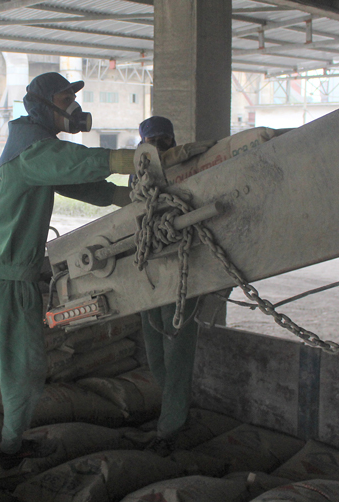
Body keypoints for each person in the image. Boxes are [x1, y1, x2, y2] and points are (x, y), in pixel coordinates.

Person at [0, 72, 135, 473]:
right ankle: (11, 450)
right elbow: (75, 163)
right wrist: (128, 160)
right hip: (10, 283)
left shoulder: (26, 148)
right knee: (23, 371)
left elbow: (71, 180)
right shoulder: (35, 152)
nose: (73, 107)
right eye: (65, 99)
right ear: (42, 105)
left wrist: (119, 195)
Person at [136, 116, 201, 457]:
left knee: (177, 356)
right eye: (152, 142)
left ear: (174, 142)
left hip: (184, 274)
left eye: (165, 140)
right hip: (150, 276)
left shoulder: (190, 172)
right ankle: (174, 414)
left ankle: (170, 428)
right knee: (155, 354)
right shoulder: (138, 179)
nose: (160, 148)